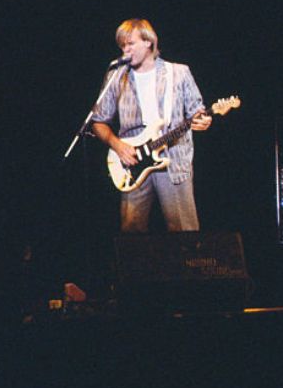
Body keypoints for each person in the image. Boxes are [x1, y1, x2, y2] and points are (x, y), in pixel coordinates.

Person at [91, 19, 212, 233]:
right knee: (131, 233)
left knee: (185, 233)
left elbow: (197, 111)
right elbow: (98, 122)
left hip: (174, 161)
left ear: (148, 42)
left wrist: (204, 120)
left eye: (130, 44)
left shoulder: (179, 73)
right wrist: (118, 146)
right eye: (122, 46)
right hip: (132, 162)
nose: (125, 50)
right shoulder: (117, 76)